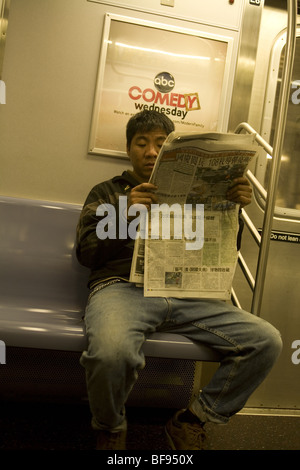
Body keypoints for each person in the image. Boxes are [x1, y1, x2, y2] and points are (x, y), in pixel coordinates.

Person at [76, 110, 282, 450]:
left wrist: (234, 211)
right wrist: (127, 213)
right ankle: (111, 427)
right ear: (129, 149)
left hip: (188, 293)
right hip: (124, 288)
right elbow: (87, 252)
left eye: (160, 143)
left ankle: (192, 419)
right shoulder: (108, 192)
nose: (151, 151)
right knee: (111, 354)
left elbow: (220, 253)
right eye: (141, 143)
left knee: (266, 341)